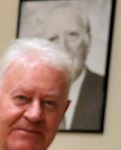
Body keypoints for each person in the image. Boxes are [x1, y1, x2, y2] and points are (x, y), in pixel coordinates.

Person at [40, 3, 105, 131]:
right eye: (53, 39)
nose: (63, 47)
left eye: (72, 35)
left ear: (88, 42)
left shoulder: (102, 90)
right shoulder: (30, 96)